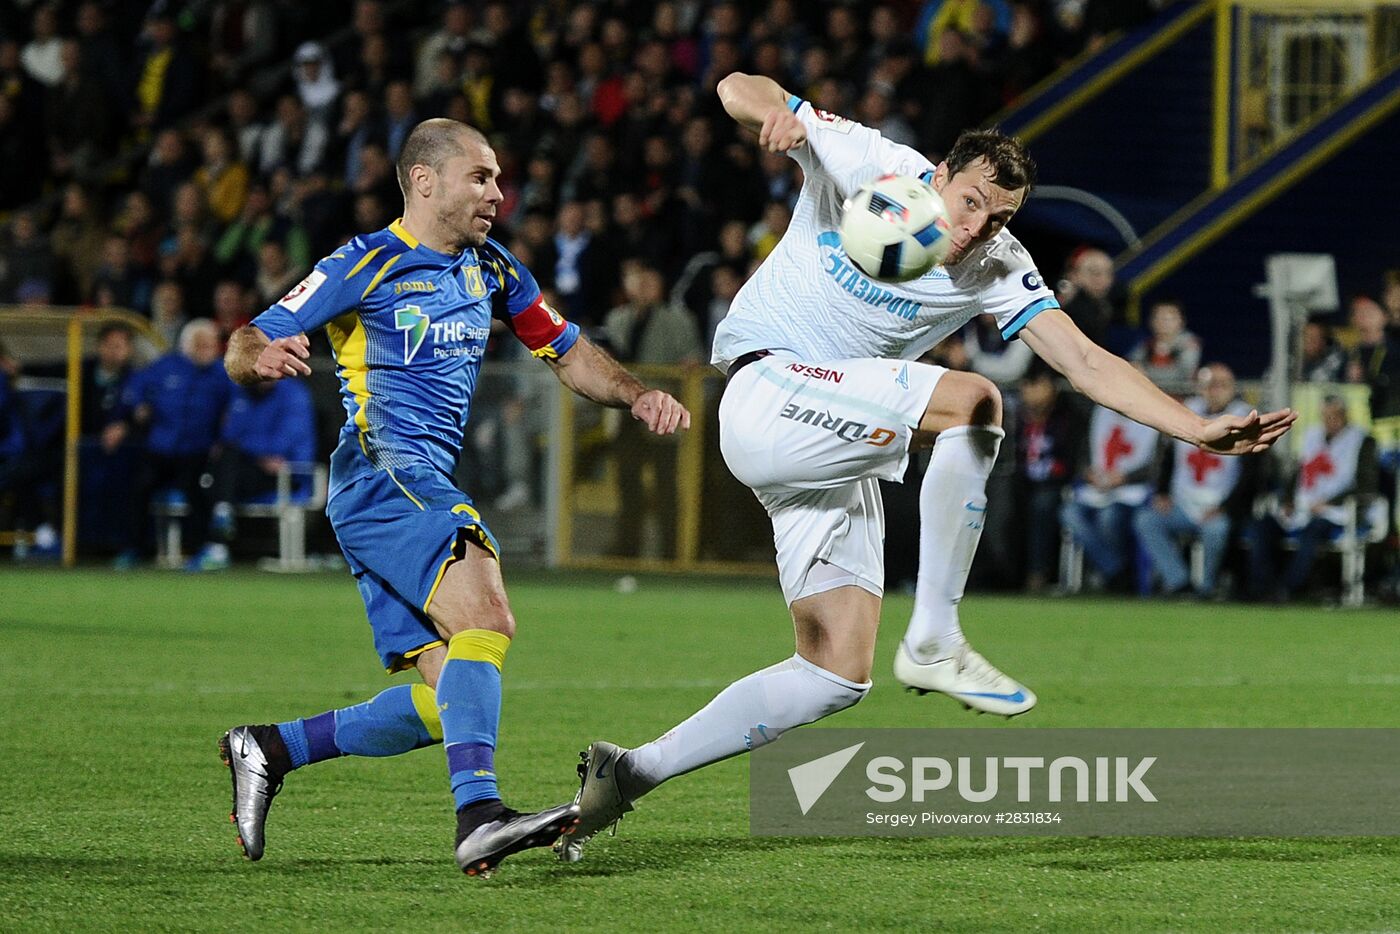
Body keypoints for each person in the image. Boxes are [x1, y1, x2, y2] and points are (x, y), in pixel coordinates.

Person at [557, 72, 1295, 859]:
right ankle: (937, 634)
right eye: (972, 201)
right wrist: (772, 113)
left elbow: (1082, 360)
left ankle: (630, 772)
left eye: (1001, 214)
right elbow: (736, 85)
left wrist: (1193, 427)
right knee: (975, 399)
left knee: (835, 669)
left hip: (828, 444)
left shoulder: (999, 264)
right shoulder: (871, 163)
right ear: (938, 177)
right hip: (763, 388)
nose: (980, 225)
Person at [217, 118, 690, 878]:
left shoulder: (494, 269)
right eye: (481, 177)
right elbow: (244, 338)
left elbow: (567, 351)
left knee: (450, 702)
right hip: (382, 472)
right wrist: (262, 354)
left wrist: (635, 395)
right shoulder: (364, 261)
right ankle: (480, 818)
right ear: (425, 181)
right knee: (490, 615)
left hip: (405, 487)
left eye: (498, 179)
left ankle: (269, 747)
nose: (498, 193)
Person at [1133, 363, 1257, 598]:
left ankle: (1206, 588)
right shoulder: (1188, 411)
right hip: (1182, 502)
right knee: (1147, 520)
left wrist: (1225, 508)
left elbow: (1251, 474)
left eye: (1222, 385)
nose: (1215, 390)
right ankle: (1178, 581)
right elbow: (1168, 457)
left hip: (1219, 506)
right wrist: (1162, 492)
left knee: (1217, 530)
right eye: (1210, 385)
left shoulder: (1244, 417)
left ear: (1232, 388)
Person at [1243, 395, 1378, 601]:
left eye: (1335, 416)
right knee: (1262, 526)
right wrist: (1288, 499)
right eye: (1325, 416)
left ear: (1345, 416)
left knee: (1312, 532)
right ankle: (1260, 586)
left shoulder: (1362, 441)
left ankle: (1288, 588)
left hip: (1336, 512)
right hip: (1302, 508)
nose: (1329, 421)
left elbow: (1366, 485)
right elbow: (1299, 472)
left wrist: (1330, 502)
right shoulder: (1312, 436)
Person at [1060, 403, 1158, 589]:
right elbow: (1083, 453)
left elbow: (1156, 464)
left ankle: (1113, 573)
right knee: (1069, 514)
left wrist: (1126, 477)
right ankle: (1116, 570)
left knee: (1109, 517)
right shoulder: (1098, 413)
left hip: (1131, 490)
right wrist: (1087, 472)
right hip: (1096, 487)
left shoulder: (1151, 415)